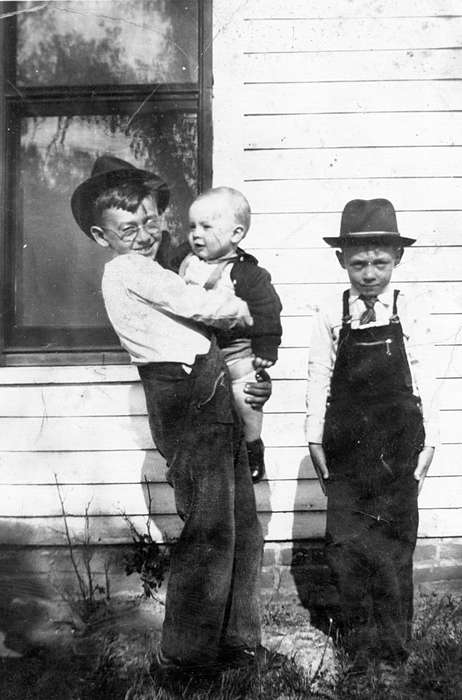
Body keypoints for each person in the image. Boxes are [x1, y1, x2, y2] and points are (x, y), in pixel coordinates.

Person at [70, 155, 275, 673]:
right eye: (126, 227)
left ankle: (237, 642)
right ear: (101, 236)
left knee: (240, 522)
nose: (142, 234)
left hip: (206, 391)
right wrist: (240, 308)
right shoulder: (127, 270)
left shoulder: (157, 266)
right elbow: (204, 305)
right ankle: (186, 659)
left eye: (149, 221)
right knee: (209, 526)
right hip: (183, 397)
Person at [306, 199, 438, 669]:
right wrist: (313, 438)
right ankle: (359, 648)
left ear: (396, 259)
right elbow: (319, 374)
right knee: (346, 548)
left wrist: (432, 443)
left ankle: (394, 648)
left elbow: (426, 377)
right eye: (358, 263)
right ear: (341, 259)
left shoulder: (410, 308)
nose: (369, 274)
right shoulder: (330, 312)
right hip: (345, 444)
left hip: (398, 445)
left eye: (380, 262)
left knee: (393, 547)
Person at [177, 187, 282, 482]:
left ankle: (252, 445)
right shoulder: (186, 265)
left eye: (206, 227)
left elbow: (268, 310)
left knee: (246, 391)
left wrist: (266, 349)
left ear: (236, 235)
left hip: (236, 349)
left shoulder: (246, 273)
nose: (196, 234)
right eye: (192, 226)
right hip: (197, 349)